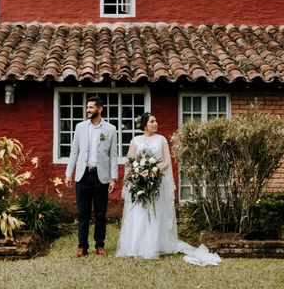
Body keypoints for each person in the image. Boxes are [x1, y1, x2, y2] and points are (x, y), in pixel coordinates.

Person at [116, 112, 220, 266]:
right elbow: (130, 162)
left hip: (157, 182)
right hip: (140, 182)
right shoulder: (135, 140)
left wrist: (153, 171)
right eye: (152, 121)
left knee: (155, 213)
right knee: (139, 212)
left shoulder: (161, 140)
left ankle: (153, 246)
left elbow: (167, 161)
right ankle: (134, 246)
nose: (156, 123)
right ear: (145, 124)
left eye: (156, 121)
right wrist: (136, 175)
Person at [65, 96, 118, 257]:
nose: (88, 110)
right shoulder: (80, 127)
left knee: (100, 214)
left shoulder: (110, 129)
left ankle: (100, 245)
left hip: (101, 176)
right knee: (83, 213)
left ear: (100, 109)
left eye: (91, 107)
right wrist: (69, 173)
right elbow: (74, 151)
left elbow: (114, 155)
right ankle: (82, 246)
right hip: (83, 176)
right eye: (87, 107)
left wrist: (113, 177)